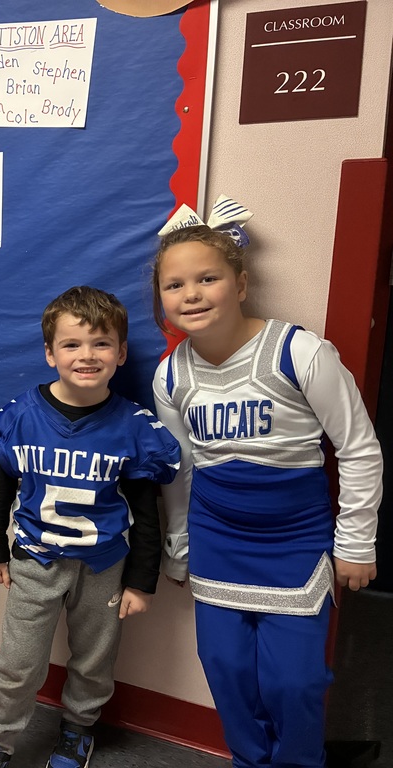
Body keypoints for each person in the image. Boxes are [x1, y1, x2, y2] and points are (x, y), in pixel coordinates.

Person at [151, 200, 383, 768]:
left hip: (294, 542)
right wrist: (178, 547)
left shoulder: (300, 351)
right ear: (161, 297)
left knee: (294, 684)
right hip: (217, 541)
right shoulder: (171, 374)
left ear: (242, 282)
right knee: (227, 675)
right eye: (175, 284)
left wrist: (356, 543)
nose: (193, 294)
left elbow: (358, 448)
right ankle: (251, 762)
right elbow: (180, 470)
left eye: (208, 278)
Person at [0, 286, 180, 768]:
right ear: (50, 353)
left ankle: (77, 729)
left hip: (105, 564)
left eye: (101, 343)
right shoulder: (21, 415)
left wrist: (142, 579)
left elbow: (147, 512)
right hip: (34, 560)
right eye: (71, 344)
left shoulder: (133, 426)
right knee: (18, 662)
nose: (87, 355)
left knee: (94, 658)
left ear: (122, 353)